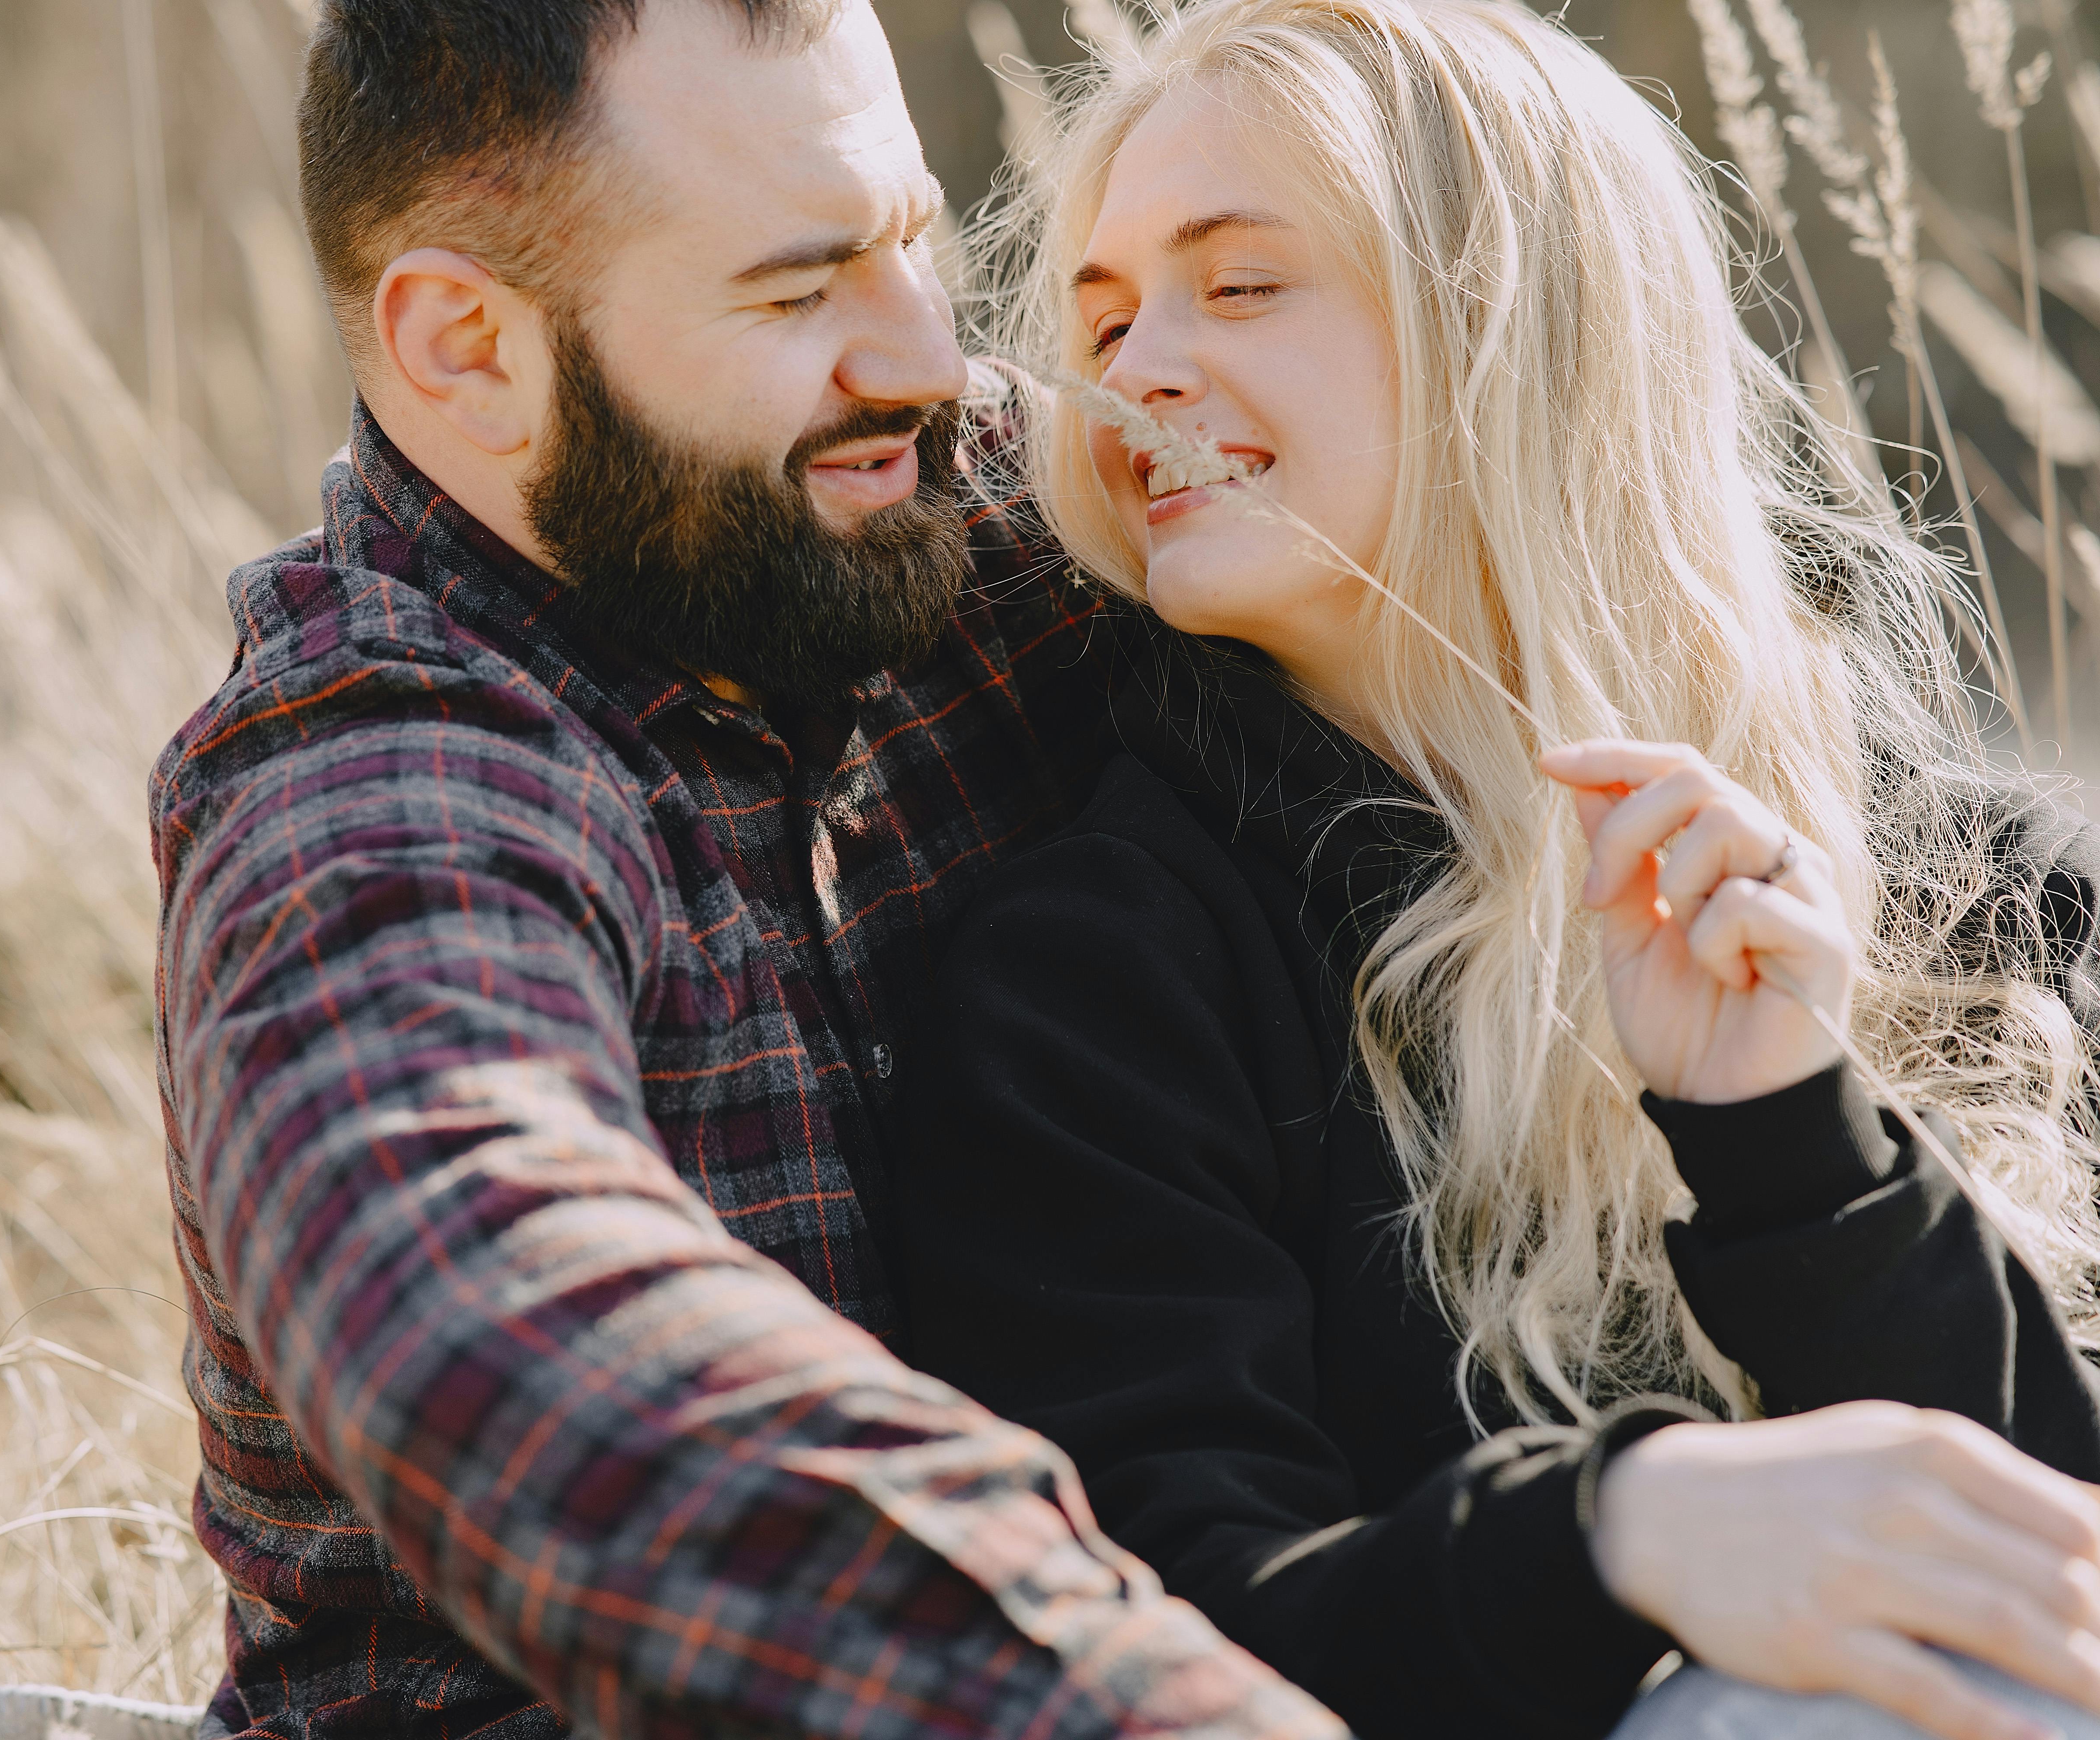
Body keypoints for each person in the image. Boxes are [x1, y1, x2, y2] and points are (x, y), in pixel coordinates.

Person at [896, 3, 2100, 1739]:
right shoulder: (1096, 981)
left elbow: (2046, 1574)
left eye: (1238, 285)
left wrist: (1790, 1138)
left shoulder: (1987, 899)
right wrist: (1617, 1529)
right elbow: (1144, 1634)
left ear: (1511, 312)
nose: (1135, 364)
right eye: (1102, 313)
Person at [148, 1, 1342, 1737]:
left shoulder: (970, 516)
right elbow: (501, 1335)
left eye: (915, 243)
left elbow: (1474, 522)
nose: (927, 357)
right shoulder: (369, 783)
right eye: (799, 291)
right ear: (467, 350)